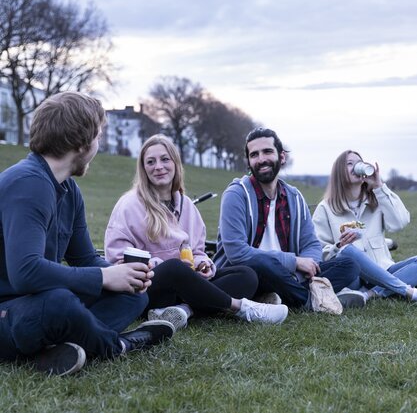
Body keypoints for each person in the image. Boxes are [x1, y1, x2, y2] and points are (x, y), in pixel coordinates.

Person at [0, 92, 175, 377]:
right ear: (81, 143)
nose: (98, 143)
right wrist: (105, 277)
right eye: (98, 135)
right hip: (9, 309)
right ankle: (118, 345)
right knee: (59, 302)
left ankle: (65, 346)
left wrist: (124, 274)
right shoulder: (28, 183)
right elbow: (25, 271)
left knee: (135, 295)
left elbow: (84, 258)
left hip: (35, 301)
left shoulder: (68, 190)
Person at [104, 134, 288, 330]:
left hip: (188, 287)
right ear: (144, 169)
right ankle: (242, 308)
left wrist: (203, 264)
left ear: (175, 163)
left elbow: (198, 251)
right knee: (174, 268)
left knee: (246, 275)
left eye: (165, 159)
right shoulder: (129, 204)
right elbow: (117, 259)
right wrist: (164, 266)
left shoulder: (186, 205)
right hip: (148, 288)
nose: (158, 166)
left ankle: (184, 310)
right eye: (151, 162)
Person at [213, 127, 363, 310]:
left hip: (290, 275)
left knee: (349, 264)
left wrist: (307, 266)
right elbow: (237, 252)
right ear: (249, 162)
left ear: (282, 157)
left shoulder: (294, 197)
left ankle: (278, 298)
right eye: (254, 155)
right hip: (249, 273)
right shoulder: (236, 194)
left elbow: (312, 244)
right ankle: (310, 300)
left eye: (267, 151)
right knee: (262, 264)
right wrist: (295, 262)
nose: (261, 159)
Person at [312, 150, 417, 302]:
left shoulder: (377, 198)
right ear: (339, 172)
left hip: (384, 270)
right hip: (354, 275)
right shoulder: (325, 208)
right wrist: (339, 245)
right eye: (350, 163)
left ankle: (370, 294)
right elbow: (318, 250)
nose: (356, 166)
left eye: (359, 163)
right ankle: (405, 290)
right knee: (348, 251)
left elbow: (399, 222)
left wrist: (379, 187)